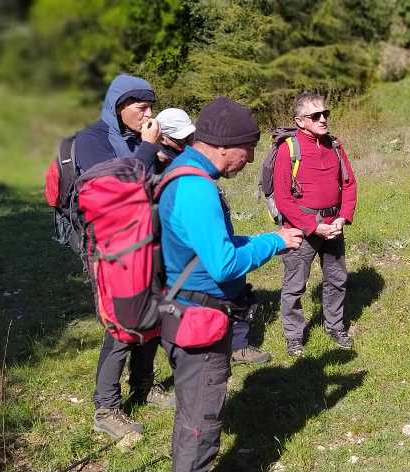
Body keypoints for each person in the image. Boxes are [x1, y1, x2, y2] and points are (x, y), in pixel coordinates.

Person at [158, 96, 303, 471]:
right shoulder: (197, 188)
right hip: (199, 320)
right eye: (249, 149)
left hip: (183, 309)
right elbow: (223, 265)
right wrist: (273, 243)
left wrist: (265, 238)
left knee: (192, 414)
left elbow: (211, 248)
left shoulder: (184, 173)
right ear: (224, 146)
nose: (251, 159)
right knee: (201, 425)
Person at [76, 74, 170, 439]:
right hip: (111, 248)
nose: (148, 114)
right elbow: (121, 188)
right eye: (140, 107)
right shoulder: (91, 140)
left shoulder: (136, 139)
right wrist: (148, 150)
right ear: (118, 106)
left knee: (152, 314)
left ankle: (144, 385)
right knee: (120, 324)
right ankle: (106, 407)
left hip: (148, 241)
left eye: (151, 106)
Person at [274, 91, 358, 357]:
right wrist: (312, 226)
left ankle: (334, 326)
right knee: (295, 285)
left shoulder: (334, 145)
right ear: (300, 121)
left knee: (337, 279)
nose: (323, 119)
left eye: (325, 114)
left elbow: (349, 184)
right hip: (301, 229)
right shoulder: (288, 149)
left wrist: (343, 217)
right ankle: (294, 336)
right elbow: (283, 199)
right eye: (316, 115)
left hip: (334, 225)